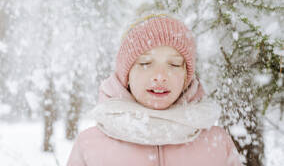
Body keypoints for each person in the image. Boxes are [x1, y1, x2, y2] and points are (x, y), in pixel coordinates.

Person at [66, 10, 242, 166]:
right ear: (126, 75)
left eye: (173, 64)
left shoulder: (217, 143)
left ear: (186, 76)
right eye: (145, 63)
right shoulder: (90, 145)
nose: (160, 75)